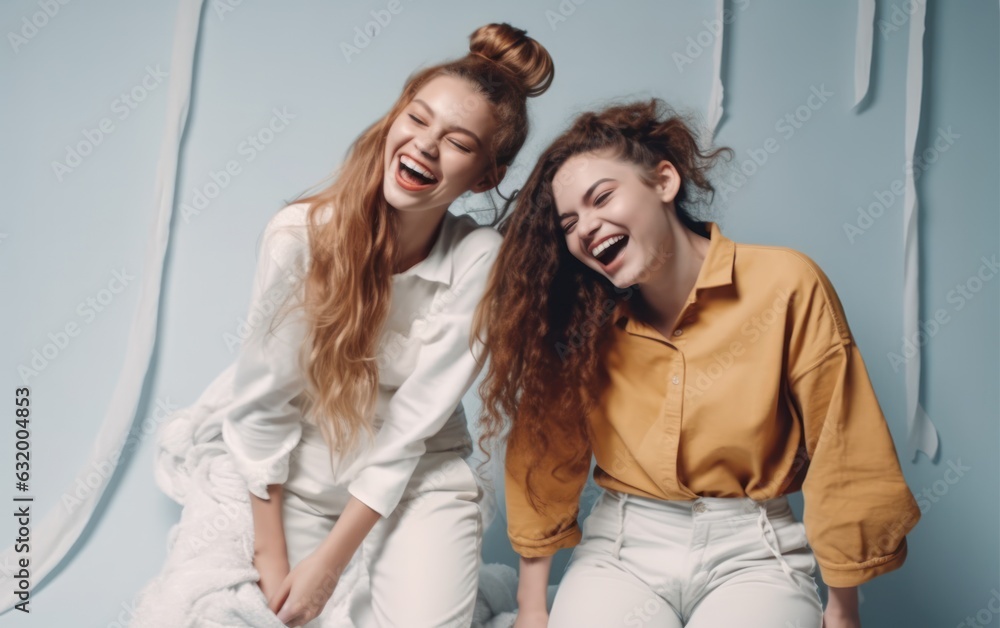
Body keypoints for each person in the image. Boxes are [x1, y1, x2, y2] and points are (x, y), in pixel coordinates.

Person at [472, 99, 921, 628]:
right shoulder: (580, 319)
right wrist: (531, 609)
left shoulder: (786, 284)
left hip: (754, 552)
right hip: (620, 549)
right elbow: (544, 460)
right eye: (569, 222)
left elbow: (845, 445)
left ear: (664, 181)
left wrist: (842, 612)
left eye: (603, 198)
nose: (587, 227)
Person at [221, 23, 554, 627]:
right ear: (394, 120)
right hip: (304, 463)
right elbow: (262, 407)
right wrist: (273, 558)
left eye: (457, 141)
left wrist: (330, 565)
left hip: (424, 468)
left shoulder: (479, 261)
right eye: (417, 119)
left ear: (486, 175)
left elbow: (410, 430)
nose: (425, 145)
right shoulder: (299, 236)